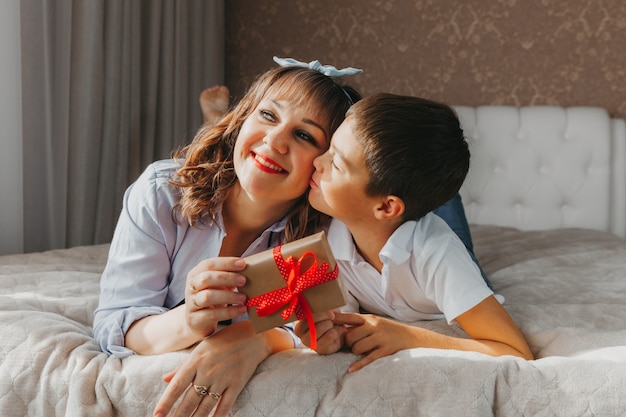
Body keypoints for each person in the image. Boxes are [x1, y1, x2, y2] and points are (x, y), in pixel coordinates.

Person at [93, 57, 363, 417]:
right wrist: (189, 319)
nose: (275, 140)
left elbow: (334, 320)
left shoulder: (326, 230)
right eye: (268, 115)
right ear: (243, 119)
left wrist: (257, 338)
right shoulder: (161, 194)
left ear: (323, 163)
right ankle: (215, 117)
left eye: (304, 135)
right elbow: (115, 326)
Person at [299, 93, 533, 372]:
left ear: (386, 206)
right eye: (328, 150)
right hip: (393, 219)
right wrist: (327, 336)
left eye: (335, 164)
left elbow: (516, 352)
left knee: (452, 241)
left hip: (427, 244)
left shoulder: (437, 252)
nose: (316, 162)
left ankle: (446, 198)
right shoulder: (325, 242)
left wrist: (409, 336)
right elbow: (342, 322)